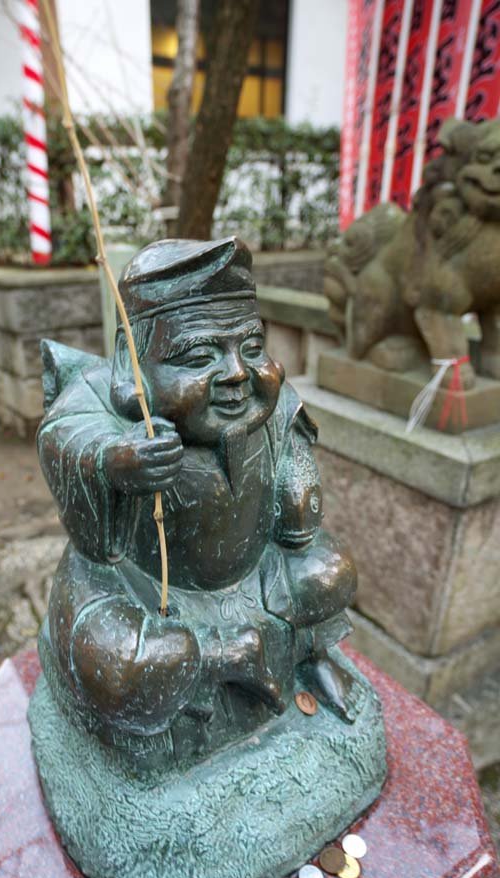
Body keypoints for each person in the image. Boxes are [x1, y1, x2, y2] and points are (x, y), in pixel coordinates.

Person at [37, 236, 357, 754]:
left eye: (251, 348)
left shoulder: (266, 405)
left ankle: (308, 655)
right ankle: (221, 660)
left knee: (329, 571)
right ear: (131, 361)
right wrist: (116, 461)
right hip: (140, 589)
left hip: (252, 578)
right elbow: (66, 438)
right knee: (120, 659)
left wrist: (297, 490)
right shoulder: (101, 399)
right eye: (199, 355)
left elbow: (295, 463)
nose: (236, 373)